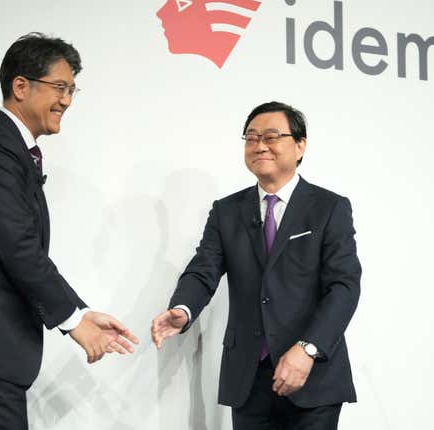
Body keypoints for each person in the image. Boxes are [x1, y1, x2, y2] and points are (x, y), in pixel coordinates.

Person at [0, 33, 138, 430]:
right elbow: (18, 246)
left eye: (72, 90)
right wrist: (72, 322)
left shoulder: (8, 149)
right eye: (60, 87)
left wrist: (81, 311)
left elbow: (25, 251)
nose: (67, 100)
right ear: (20, 86)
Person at [152, 101, 361, 429]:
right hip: (249, 378)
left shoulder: (329, 207)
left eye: (272, 136)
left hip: (312, 376)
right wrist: (183, 308)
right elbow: (203, 269)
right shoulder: (227, 211)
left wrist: (307, 349)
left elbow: (344, 287)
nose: (260, 145)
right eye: (251, 137)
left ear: (300, 145)